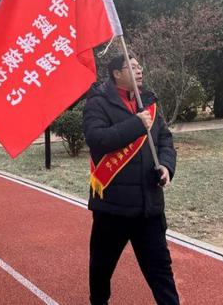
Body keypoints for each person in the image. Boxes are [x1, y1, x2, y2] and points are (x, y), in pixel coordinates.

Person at [83, 53, 178, 305]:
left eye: (139, 66)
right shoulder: (98, 102)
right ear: (116, 73)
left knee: (161, 271)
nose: (139, 70)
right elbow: (97, 140)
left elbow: (165, 139)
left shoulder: (149, 101)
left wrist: (167, 167)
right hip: (113, 207)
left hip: (149, 206)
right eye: (132, 66)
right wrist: (136, 124)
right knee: (102, 268)